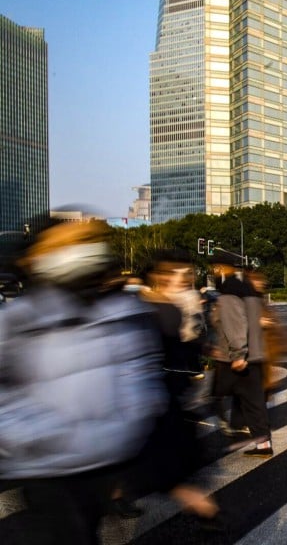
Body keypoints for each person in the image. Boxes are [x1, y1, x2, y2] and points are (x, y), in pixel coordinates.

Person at [0, 220, 166, 545]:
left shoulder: (120, 311)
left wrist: (116, 435)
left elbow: (141, 382)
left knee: (85, 530)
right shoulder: (20, 318)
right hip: (44, 468)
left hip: (101, 462)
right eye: (62, 247)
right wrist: (40, 437)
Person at [129, 251, 219, 524]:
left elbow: (185, 338)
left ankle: (125, 487)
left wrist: (204, 347)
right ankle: (181, 491)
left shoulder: (173, 304)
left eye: (187, 274)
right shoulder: (144, 305)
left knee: (176, 435)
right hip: (156, 384)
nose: (185, 278)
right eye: (179, 273)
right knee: (166, 437)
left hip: (175, 381)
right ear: (161, 276)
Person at [207, 253, 273, 457]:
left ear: (220, 268)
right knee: (252, 400)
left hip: (236, 357)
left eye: (215, 267)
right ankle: (261, 443)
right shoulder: (249, 288)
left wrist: (238, 354)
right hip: (254, 354)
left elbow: (234, 323)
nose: (214, 271)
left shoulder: (229, 290)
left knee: (210, 395)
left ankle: (232, 429)